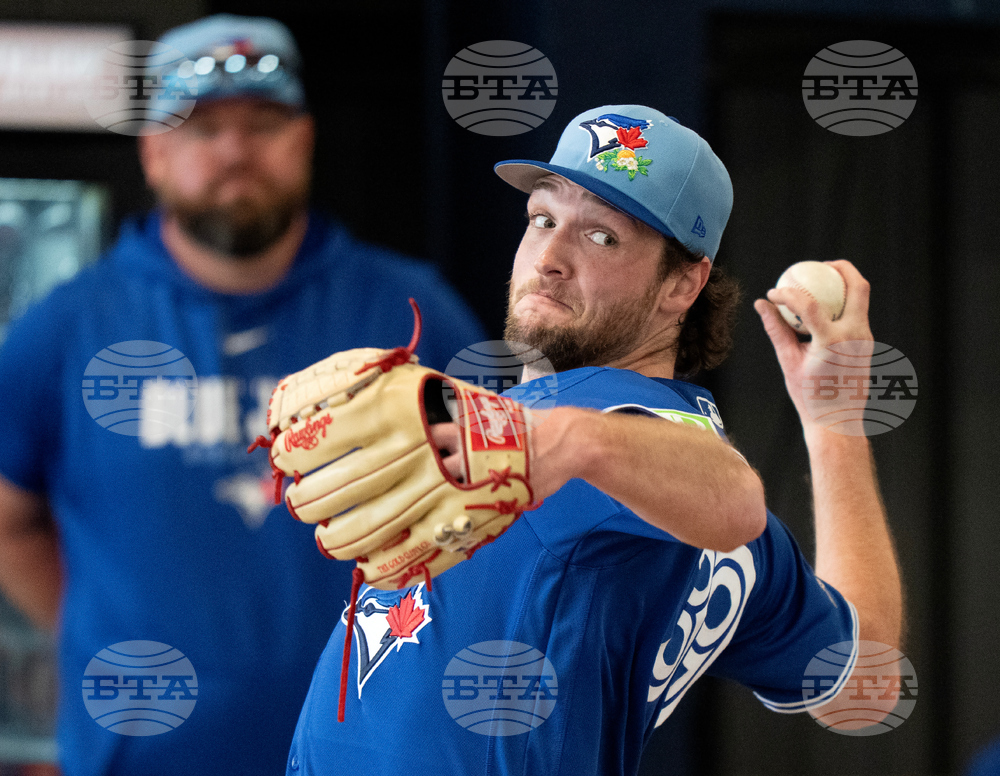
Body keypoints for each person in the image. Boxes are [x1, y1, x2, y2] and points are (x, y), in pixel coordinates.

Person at [283, 106, 903, 775]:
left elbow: (732, 498)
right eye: (543, 220)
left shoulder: (610, 426)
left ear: (682, 284)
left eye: (602, 237)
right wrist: (834, 424)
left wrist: (574, 440)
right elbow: (862, 685)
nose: (549, 259)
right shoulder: (570, 439)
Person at [0, 14, 486, 776]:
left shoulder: (413, 315)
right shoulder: (64, 328)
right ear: (154, 153)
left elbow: (505, 519)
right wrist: (91, 633)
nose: (234, 150)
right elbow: (7, 520)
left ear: (306, 141)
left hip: (372, 754)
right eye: (202, 128)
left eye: (263, 123)